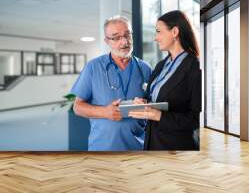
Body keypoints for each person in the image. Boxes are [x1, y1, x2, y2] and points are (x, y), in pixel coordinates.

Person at [70, 15, 152, 151]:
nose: (124, 42)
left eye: (127, 35)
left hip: (138, 147)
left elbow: (153, 105)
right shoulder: (93, 67)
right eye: (116, 37)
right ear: (107, 41)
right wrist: (105, 112)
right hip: (103, 148)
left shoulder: (145, 68)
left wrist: (146, 105)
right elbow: (77, 107)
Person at [128, 10, 201, 150]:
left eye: (158, 31)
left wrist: (160, 116)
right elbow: (158, 99)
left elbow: (196, 119)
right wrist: (146, 103)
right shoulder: (161, 66)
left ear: (174, 32)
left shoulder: (195, 67)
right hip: (152, 143)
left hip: (176, 148)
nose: (156, 38)